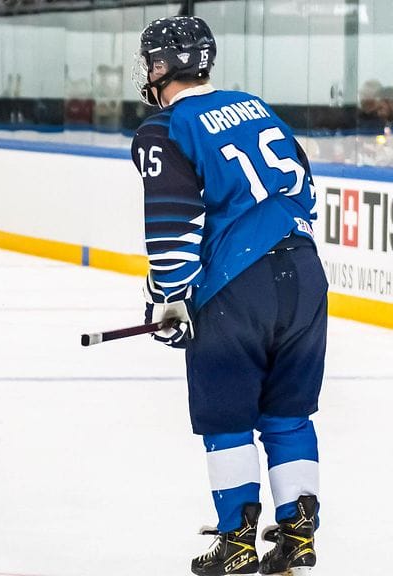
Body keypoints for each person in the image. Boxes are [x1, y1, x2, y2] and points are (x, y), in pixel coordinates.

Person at [131, 16, 324, 576]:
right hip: (306, 275)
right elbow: (305, 187)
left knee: (228, 419)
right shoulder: (257, 106)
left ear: (163, 65)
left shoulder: (165, 128)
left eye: (151, 62)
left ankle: (236, 540)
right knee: (289, 414)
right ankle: (297, 535)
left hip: (236, 291)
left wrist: (168, 297)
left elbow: (174, 224)